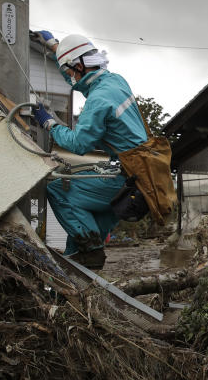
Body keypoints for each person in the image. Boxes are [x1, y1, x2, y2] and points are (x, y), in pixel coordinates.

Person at [31, 31, 148, 269]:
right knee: (82, 234)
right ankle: (82, 273)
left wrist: (48, 123)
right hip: (142, 176)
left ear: (79, 66)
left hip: (126, 180)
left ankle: (92, 252)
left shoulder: (98, 101)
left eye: (70, 71)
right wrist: (55, 47)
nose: (70, 77)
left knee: (57, 190)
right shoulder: (115, 80)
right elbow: (81, 79)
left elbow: (78, 144)